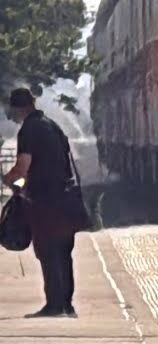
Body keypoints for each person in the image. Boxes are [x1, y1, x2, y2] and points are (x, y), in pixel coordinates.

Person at [2, 88, 77, 318]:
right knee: (64, 251)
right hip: (65, 197)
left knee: (47, 250)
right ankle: (66, 304)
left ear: (17, 109)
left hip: (45, 199)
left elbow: (22, 168)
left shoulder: (29, 130)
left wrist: (8, 179)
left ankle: (54, 306)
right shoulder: (52, 126)